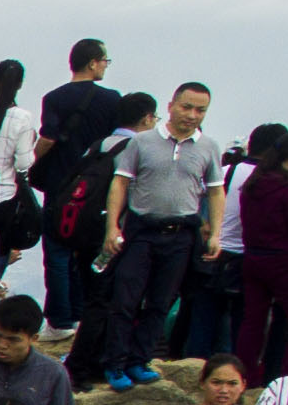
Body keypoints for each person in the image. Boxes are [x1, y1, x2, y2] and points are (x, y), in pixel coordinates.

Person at [93, 84, 221, 386]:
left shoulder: (208, 147)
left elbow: (216, 191)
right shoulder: (142, 142)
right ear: (171, 105)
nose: (192, 115)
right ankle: (115, 364)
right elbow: (120, 183)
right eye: (186, 107)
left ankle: (140, 360)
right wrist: (112, 227)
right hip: (141, 230)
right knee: (126, 297)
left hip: (181, 234)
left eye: (200, 110)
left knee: (161, 302)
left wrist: (215, 233)